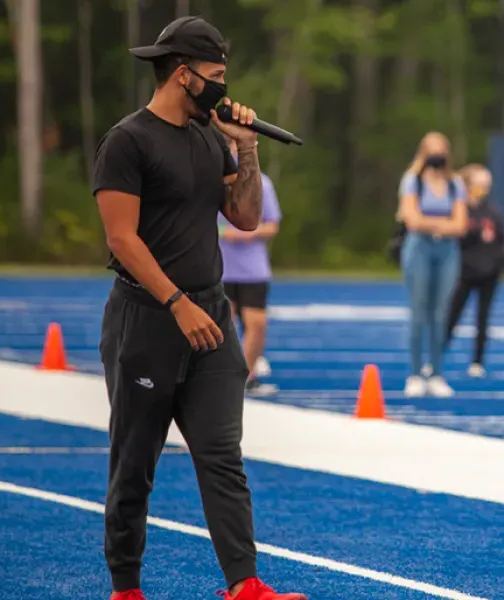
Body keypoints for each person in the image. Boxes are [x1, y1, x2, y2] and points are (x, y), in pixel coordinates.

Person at [91, 16, 304, 600]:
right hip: (147, 320)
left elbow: (245, 216)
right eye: (213, 76)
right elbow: (122, 240)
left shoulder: (212, 138)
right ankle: (126, 588)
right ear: (182, 75)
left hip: (210, 318)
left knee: (222, 457)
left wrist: (247, 148)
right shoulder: (128, 141)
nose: (221, 88)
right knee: (134, 464)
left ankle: (245, 584)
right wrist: (176, 302)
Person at [398, 131, 469, 398]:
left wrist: (433, 224)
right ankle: (415, 373)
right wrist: (443, 225)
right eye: (432, 148)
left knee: (441, 314)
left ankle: (436, 372)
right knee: (419, 311)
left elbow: (461, 225)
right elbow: (412, 221)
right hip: (419, 249)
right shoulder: (412, 181)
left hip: (448, 252)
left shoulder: (455, 183)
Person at [218, 137, 281, 397]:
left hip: (252, 268)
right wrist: (224, 232)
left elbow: (272, 223)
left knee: (257, 323)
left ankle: (246, 373)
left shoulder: (262, 184)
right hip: (220, 266)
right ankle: (220, 374)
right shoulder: (213, 183)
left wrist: (248, 233)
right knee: (223, 325)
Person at [444, 164, 504, 377]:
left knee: (483, 318)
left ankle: (478, 361)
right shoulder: (459, 208)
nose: (482, 189)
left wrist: (498, 262)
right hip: (464, 271)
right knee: (452, 314)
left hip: (488, 272)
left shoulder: (492, 211)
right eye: (479, 184)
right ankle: (437, 355)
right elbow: (455, 237)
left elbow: (502, 241)